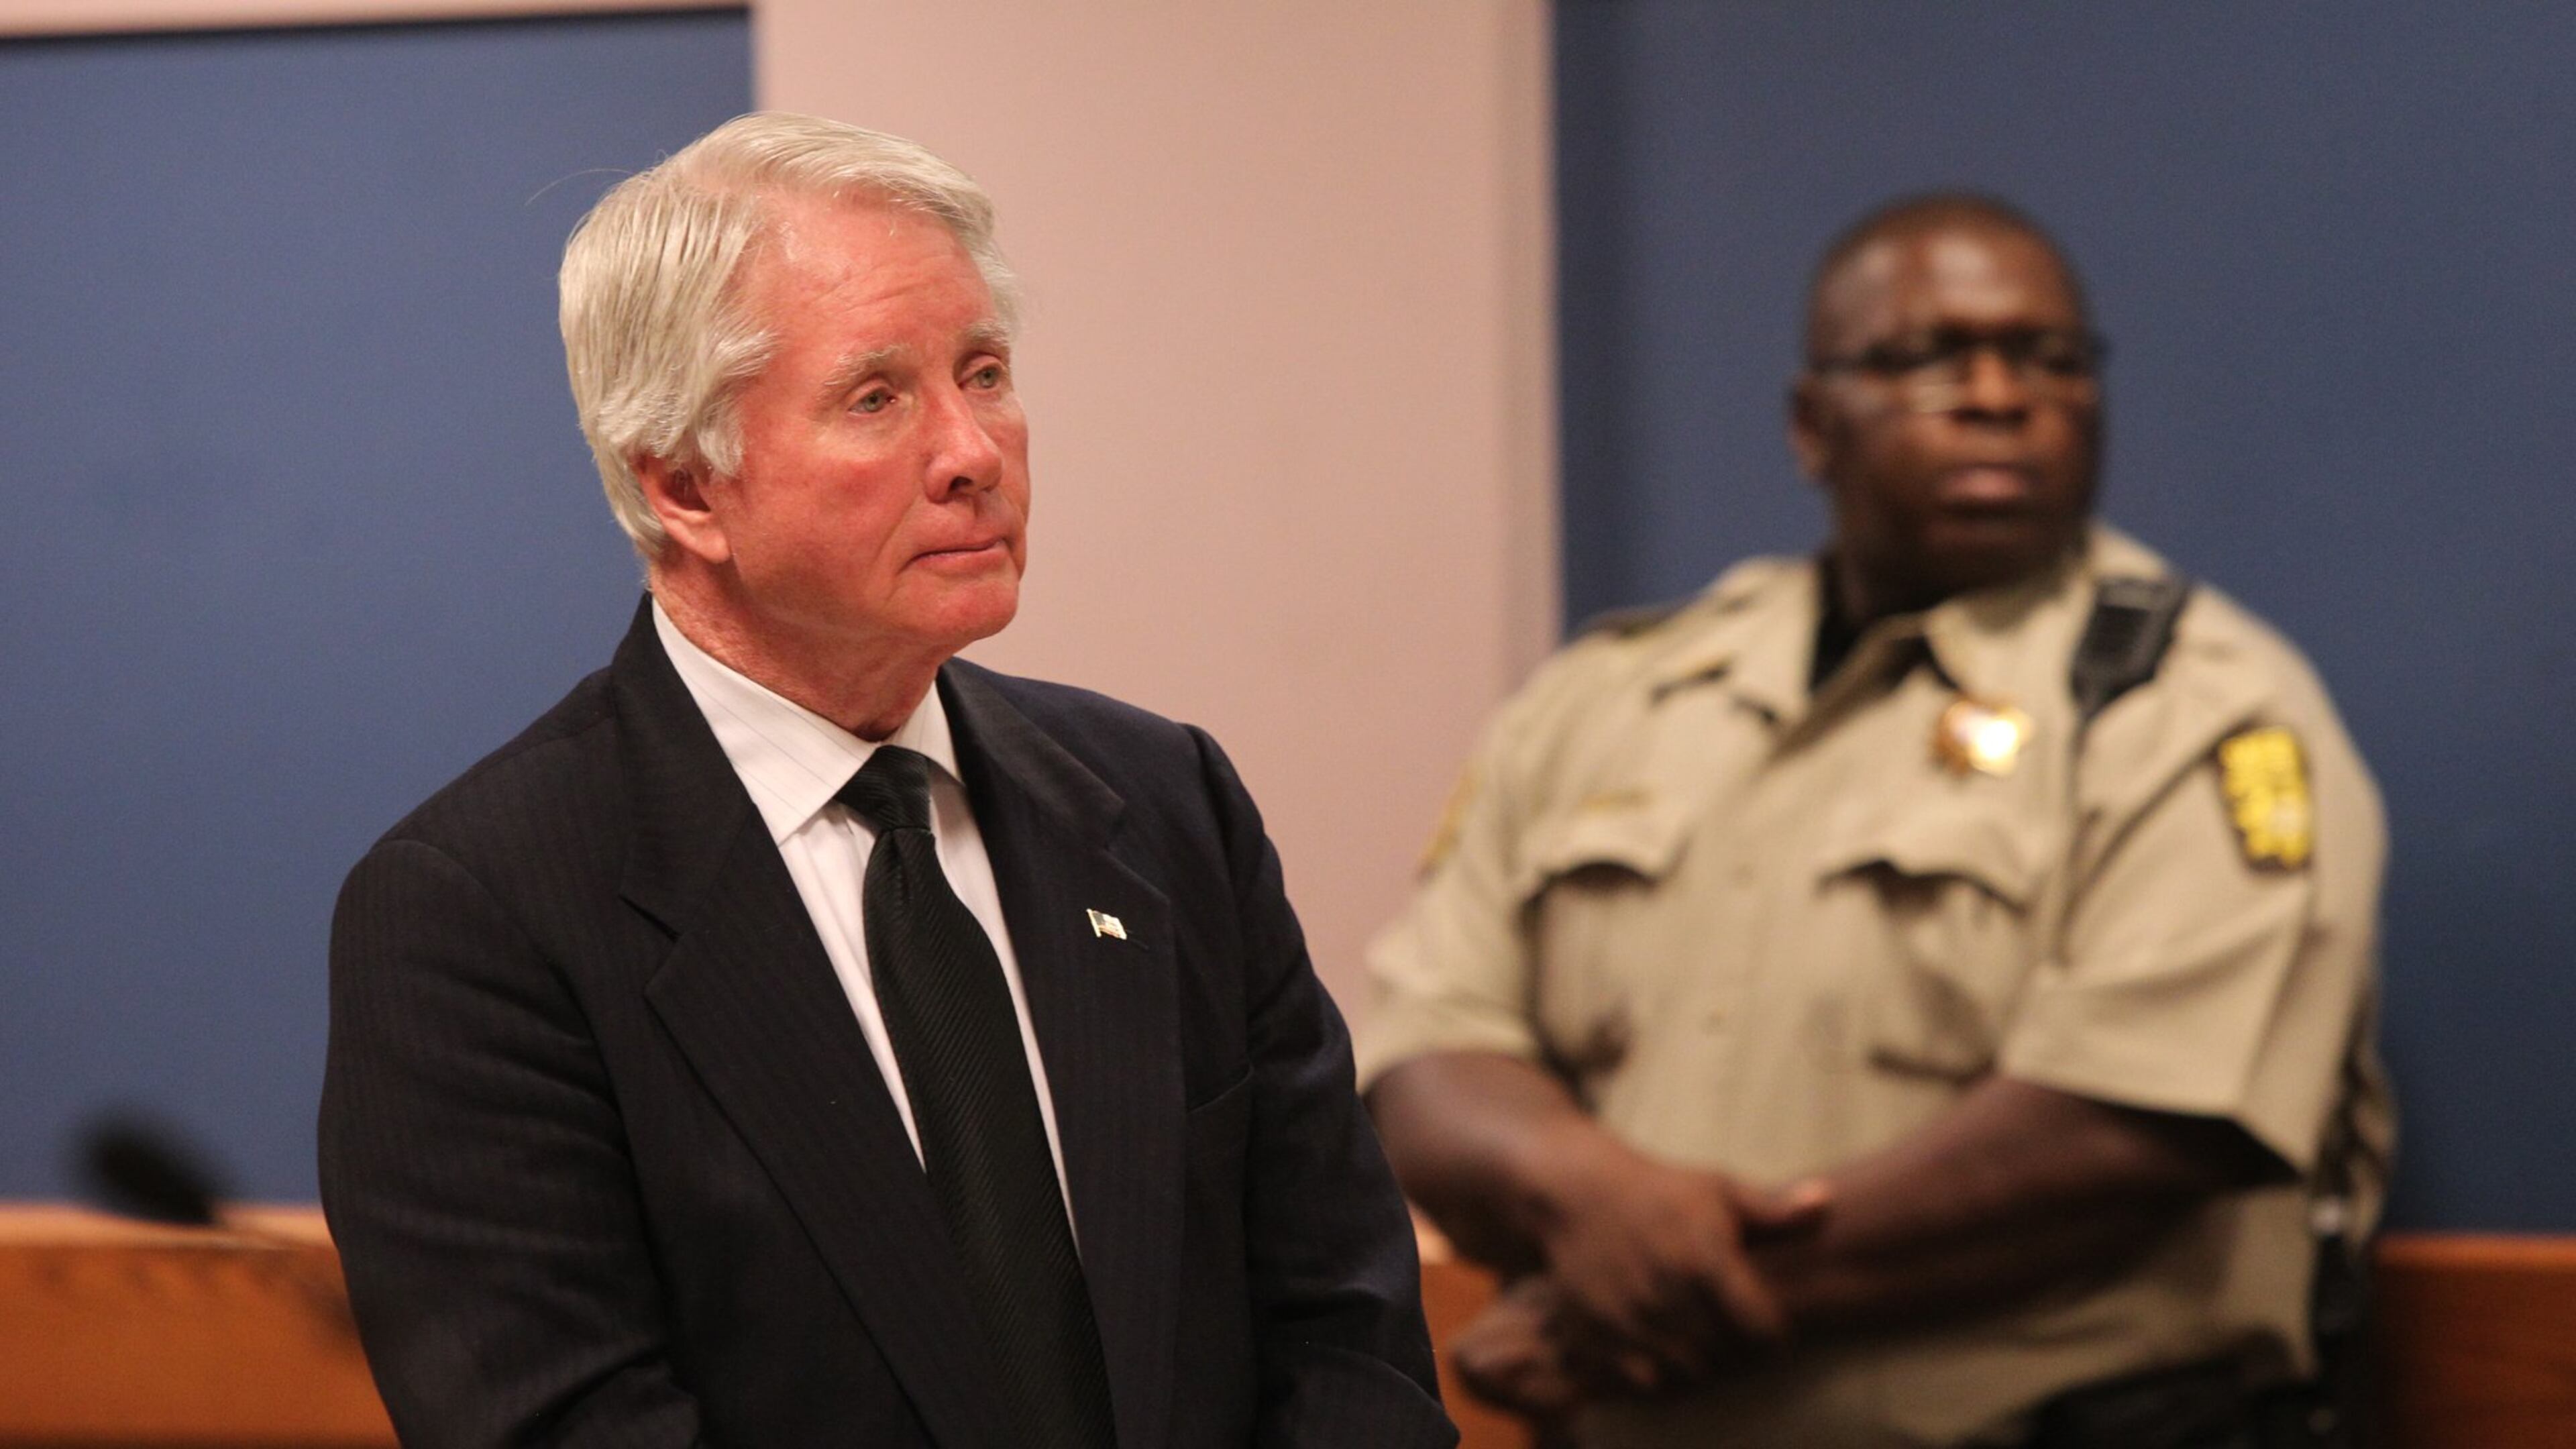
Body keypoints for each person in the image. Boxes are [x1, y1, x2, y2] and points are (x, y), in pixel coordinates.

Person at [318, 113, 1454, 1449]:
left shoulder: (1165, 805)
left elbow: (1349, 1339)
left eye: (985, 372)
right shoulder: (483, 912)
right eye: (877, 398)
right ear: (685, 488)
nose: (974, 451)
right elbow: (561, 1419)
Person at [1358, 195, 2391, 1448]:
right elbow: (1428, 1050)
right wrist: (1584, 1198)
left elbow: (2135, 1133)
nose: (1999, 397)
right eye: (1927, 358)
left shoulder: (2199, 708)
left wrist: (1627, 1304)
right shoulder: (1609, 699)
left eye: (2049, 359)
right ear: (1812, 424)